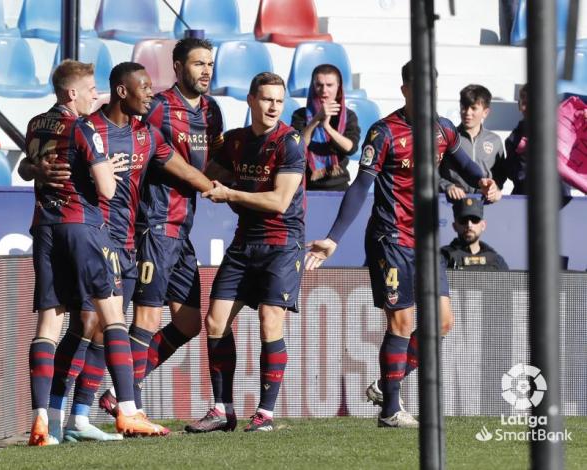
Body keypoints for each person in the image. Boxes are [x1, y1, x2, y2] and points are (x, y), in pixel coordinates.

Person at [304, 61, 499, 428]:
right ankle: (391, 410)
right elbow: (361, 186)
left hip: (426, 240)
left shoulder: (442, 130)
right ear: (405, 90)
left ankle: (385, 385)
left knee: (442, 323)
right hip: (390, 238)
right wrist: (333, 237)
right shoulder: (384, 133)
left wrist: (485, 181)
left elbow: (466, 165)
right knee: (402, 321)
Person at [20, 59, 158, 446]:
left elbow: (25, 166)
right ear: (71, 94)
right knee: (111, 315)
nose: (96, 95)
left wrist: (36, 169)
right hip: (82, 226)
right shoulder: (82, 128)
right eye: (90, 89)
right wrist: (107, 169)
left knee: (49, 323)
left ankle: (43, 421)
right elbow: (108, 191)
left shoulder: (35, 124)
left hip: (43, 228)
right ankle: (129, 412)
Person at [98, 38, 224, 417]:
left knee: (187, 323)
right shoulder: (158, 109)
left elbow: (212, 163)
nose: (205, 71)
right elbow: (149, 154)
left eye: (210, 64)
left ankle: (123, 390)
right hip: (154, 223)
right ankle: (126, 401)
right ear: (178, 66)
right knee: (148, 316)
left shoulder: (212, 111)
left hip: (183, 227)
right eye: (198, 64)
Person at [184, 72, 306, 433]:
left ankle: (265, 414)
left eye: (278, 101)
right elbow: (209, 168)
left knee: (270, 319)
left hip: (282, 242)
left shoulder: (290, 142)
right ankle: (223, 410)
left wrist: (231, 194)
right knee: (215, 321)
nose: (272, 107)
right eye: (266, 99)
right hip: (245, 241)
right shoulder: (235, 142)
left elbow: (280, 201)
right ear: (251, 100)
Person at [291, 63, 360, 191]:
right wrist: (316, 119)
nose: (324, 90)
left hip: (338, 184)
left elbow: (350, 148)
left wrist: (327, 127)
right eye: (319, 85)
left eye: (329, 85)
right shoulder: (300, 115)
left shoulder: (348, 116)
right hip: (306, 185)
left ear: (338, 87)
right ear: (313, 86)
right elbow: (297, 147)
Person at [440, 84, 505, 201]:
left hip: (484, 203)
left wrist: (495, 189)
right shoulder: (446, 137)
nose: (467, 113)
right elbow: (432, 173)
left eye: (473, 108)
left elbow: (501, 174)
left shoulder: (495, 140)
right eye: (464, 107)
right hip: (451, 203)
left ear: (485, 112)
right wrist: (448, 186)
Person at [440, 198, 509, 270]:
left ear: (483, 225)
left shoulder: (496, 261)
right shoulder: (443, 257)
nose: (469, 225)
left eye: (474, 220)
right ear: (455, 226)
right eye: (463, 220)